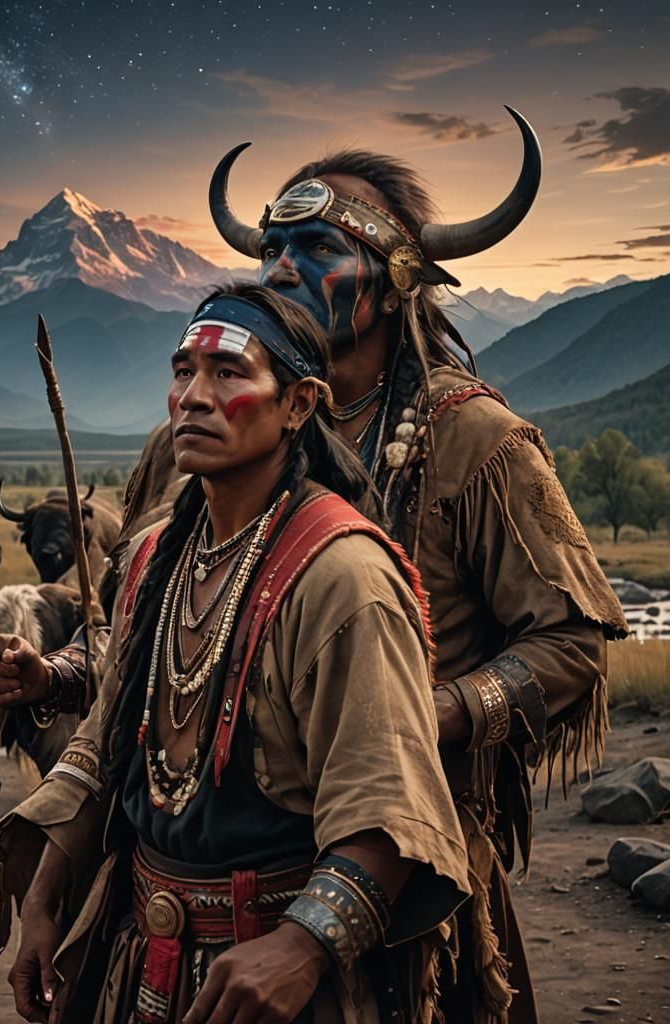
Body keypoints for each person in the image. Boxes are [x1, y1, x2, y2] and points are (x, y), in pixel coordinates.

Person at [199, 108, 627, 1021]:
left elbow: (572, 641)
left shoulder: (475, 439)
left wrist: (431, 712)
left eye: (315, 247)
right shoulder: (247, 422)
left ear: (397, 281)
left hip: (409, 872)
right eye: (271, 246)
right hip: (220, 867)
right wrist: (64, 669)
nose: (280, 267)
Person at [0, 282, 470, 1024]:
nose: (195, 396)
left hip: (279, 987)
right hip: (139, 961)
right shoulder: (152, 556)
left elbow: (389, 808)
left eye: (228, 373)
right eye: (183, 373)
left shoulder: (345, 579)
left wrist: (301, 948)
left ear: (299, 404)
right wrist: (44, 902)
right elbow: (108, 747)